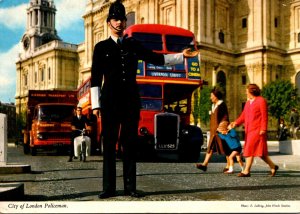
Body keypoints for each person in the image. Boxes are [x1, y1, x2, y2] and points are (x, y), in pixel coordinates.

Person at [90, 0, 200, 199]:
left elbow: (156, 58)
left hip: (131, 101)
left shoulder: (133, 44)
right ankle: (109, 188)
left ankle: (130, 187)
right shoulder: (100, 47)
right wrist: (96, 105)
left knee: (130, 144)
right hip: (110, 102)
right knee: (109, 145)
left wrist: (181, 56)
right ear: (109, 23)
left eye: (122, 19)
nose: (119, 23)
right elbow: (96, 78)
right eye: (115, 19)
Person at [230, 83, 279, 177]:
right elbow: (243, 116)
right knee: (261, 153)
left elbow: (265, 116)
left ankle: (246, 171)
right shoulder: (248, 103)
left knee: (249, 149)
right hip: (249, 130)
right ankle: (273, 166)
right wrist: (235, 123)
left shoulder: (261, 101)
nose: (246, 93)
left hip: (258, 130)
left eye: (247, 91)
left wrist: (263, 128)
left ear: (251, 91)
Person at [195, 87, 230, 172]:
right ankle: (204, 165)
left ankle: (229, 165)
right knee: (210, 147)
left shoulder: (222, 104)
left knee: (225, 147)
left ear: (216, 96)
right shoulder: (213, 105)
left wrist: (223, 127)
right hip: (213, 130)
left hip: (220, 130)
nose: (210, 98)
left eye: (212, 96)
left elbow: (225, 117)